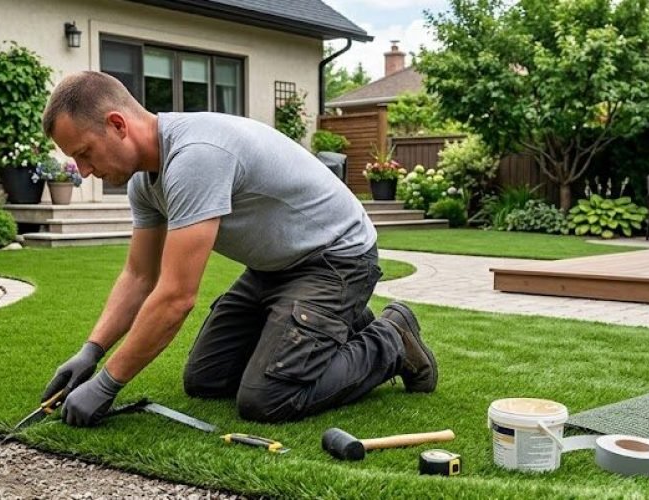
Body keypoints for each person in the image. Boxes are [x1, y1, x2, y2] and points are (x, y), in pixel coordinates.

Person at [38, 71, 438, 426]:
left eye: (84, 153)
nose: (84, 171)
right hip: (273, 268)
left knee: (268, 398)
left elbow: (176, 297)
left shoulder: (196, 156)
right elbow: (140, 276)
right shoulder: (144, 183)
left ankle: (391, 338)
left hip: (336, 259)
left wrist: (108, 384)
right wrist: (91, 352)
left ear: (117, 124)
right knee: (206, 380)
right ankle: (336, 321)